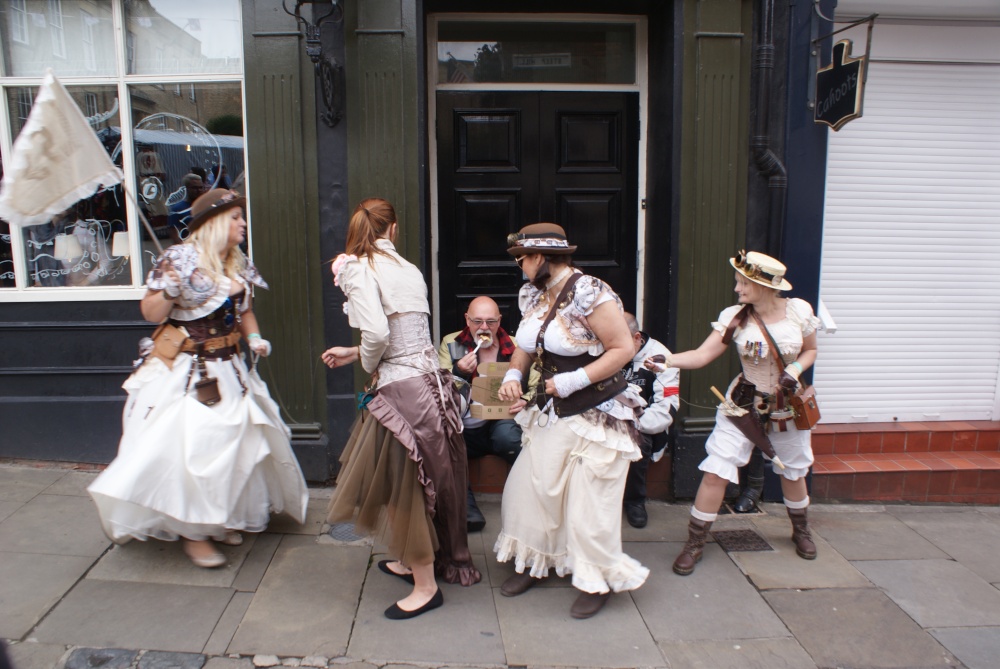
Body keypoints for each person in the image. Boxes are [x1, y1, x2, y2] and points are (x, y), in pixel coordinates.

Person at [88, 189, 309, 569]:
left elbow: (245, 312)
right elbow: (150, 312)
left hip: (230, 369)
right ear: (214, 222)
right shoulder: (177, 259)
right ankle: (193, 534)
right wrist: (170, 290)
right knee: (198, 452)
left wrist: (254, 338)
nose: (243, 224)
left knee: (238, 447)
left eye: (242, 217)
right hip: (189, 374)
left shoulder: (236, 263)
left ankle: (218, 519)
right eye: (236, 217)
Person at [323, 198, 481, 621]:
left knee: (403, 484)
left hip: (400, 391)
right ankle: (414, 561)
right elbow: (405, 335)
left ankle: (426, 586)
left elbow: (377, 333)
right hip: (432, 386)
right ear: (393, 230)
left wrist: (370, 363)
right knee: (431, 477)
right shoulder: (408, 269)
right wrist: (358, 353)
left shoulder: (357, 267)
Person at [494, 222, 649, 620]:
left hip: (599, 413)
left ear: (542, 258)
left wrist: (574, 379)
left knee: (590, 503)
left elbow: (622, 349)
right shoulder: (531, 293)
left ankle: (595, 580)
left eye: (523, 259)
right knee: (534, 489)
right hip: (553, 409)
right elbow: (525, 346)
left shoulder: (591, 291)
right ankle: (537, 561)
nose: (520, 267)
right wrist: (514, 374)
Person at [651, 250, 820, 575]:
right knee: (717, 470)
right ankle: (694, 543)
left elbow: (811, 349)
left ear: (764, 286)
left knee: (793, 471)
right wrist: (668, 360)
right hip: (742, 403)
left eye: (743, 283)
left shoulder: (799, 311)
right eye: (738, 282)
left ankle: (801, 530)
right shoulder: (735, 316)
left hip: (787, 404)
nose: (737, 289)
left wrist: (796, 368)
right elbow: (702, 355)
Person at [437, 296, 524, 532]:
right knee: (446, 443)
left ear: (500, 321)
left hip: (501, 421)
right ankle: (467, 510)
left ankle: (528, 503)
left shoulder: (516, 346)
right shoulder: (451, 343)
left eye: (491, 322)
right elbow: (439, 388)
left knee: (510, 439)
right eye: (477, 321)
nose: (484, 328)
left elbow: (534, 381)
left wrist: (526, 399)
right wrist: (458, 372)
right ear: (467, 319)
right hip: (465, 425)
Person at [620, 313, 679, 528]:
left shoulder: (661, 357)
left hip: (641, 422)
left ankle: (634, 501)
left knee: (638, 442)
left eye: (620, 344)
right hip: (606, 415)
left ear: (637, 338)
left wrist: (633, 422)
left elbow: (667, 408)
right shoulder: (606, 349)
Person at [167, 173, 206, 243]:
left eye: (201, 187)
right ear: (186, 189)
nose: (199, 190)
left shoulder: (207, 206)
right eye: (195, 188)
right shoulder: (177, 209)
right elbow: (173, 232)